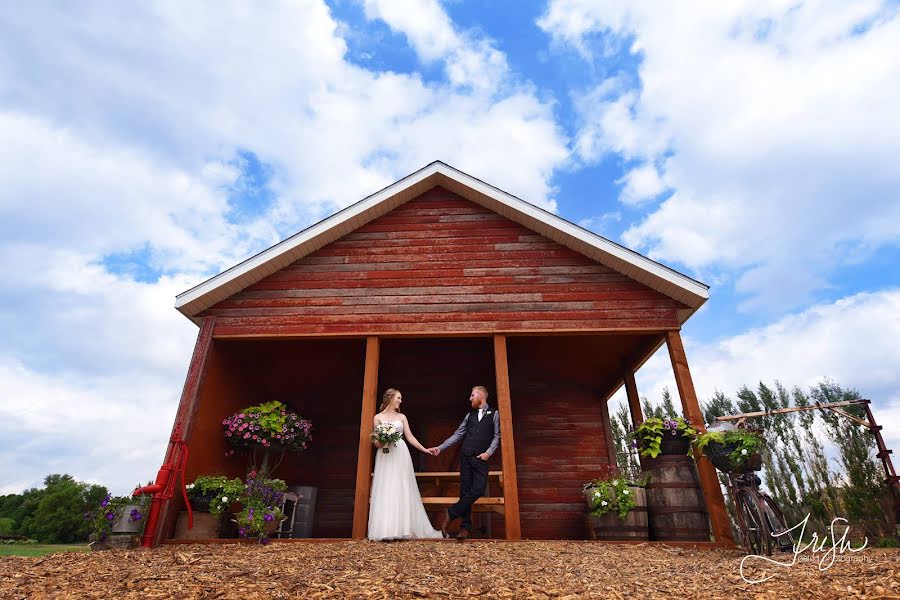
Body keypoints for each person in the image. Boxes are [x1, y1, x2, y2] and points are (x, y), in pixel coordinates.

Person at [367, 388, 444, 541]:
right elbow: (375, 442)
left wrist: (424, 449)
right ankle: (385, 530)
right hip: (385, 454)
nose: (400, 401)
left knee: (401, 486)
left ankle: (403, 528)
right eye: (398, 398)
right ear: (390, 398)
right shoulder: (377, 417)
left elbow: (410, 437)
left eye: (400, 398)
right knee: (386, 487)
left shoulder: (402, 417)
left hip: (400, 453)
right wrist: (382, 441)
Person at [427, 385, 500, 541]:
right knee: (465, 492)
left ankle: (451, 512)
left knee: (479, 489)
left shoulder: (494, 414)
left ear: (481, 396)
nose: (470, 398)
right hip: (466, 457)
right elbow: (458, 434)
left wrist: (488, 453)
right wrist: (440, 448)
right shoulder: (469, 415)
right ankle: (465, 528)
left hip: (481, 458)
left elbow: (497, 436)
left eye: (472, 395)